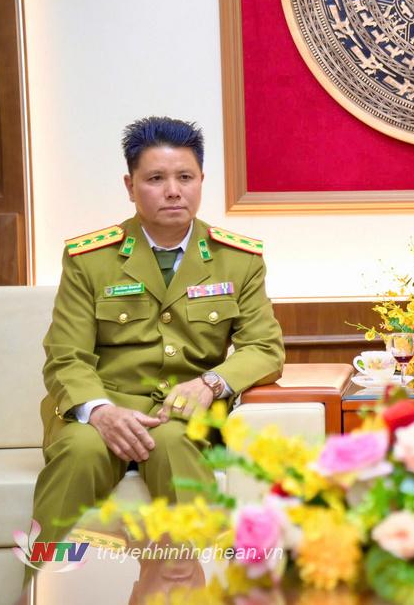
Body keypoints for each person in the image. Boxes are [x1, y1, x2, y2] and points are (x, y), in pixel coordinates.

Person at [29, 116, 285, 550]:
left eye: (185, 177)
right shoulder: (89, 258)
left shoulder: (238, 258)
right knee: (79, 453)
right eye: (156, 178)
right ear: (130, 186)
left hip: (186, 413)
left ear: (201, 180)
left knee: (173, 445)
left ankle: (206, 588)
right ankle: (38, 584)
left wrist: (211, 383)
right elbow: (66, 356)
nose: (173, 190)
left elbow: (264, 348)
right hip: (106, 409)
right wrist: (100, 412)